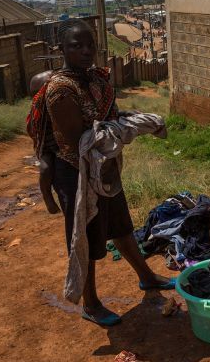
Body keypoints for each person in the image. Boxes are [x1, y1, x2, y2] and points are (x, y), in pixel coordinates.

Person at [27, 19, 174, 326]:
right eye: (75, 46)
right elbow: (79, 139)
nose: (84, 51)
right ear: (61, 50)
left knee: (120, 225)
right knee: (85, 238)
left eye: (89, 44)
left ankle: (146, 277)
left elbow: (111, 117)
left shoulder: (98, 79)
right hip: (75, 174)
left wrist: (140, 121)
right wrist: (122, 131)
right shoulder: (60, 90)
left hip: (104, 168)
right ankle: (91, 304)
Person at [28, 70, 61, 215]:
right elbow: (32, 128)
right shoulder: (39, 110)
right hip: (49, 146)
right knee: (46, 167)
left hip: (63, 144)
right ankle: (47, 195)